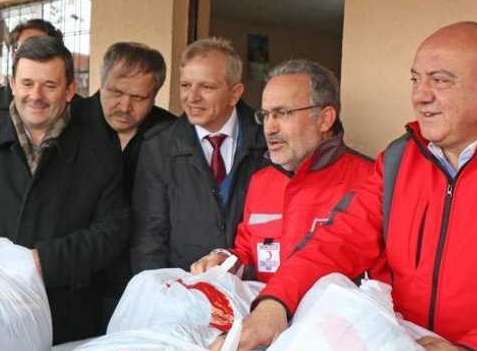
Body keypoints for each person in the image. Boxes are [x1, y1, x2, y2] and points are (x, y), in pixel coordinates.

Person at [217, 22, 477, 351]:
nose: (420, 96)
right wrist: (276, 302)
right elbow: (339, 239)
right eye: (416, 80)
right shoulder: (400, 160)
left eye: (440, 80)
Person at [0, 36, 129, 344]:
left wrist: (45, 261)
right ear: (12, 84)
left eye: (49, 86)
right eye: (27, 83)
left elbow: (111, 231)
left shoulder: (100, 151)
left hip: (67, 317)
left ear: (69, 91)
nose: (35, 96)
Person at [190, 59, 377, 282]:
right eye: (266, 115)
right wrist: (225, 261)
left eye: (282, 113)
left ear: (325, 119)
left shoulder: (373, 181)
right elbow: (248, 254)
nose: (269, 127)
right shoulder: (261, 182)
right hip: (263, 314)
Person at [131, 37, 267, 273]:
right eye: (185, 85)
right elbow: (149, 237)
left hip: (253, 290)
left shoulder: (268, 141)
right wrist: (158, 294)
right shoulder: (158, 147)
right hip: (184, 292)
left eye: (206, 87)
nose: (192, 97)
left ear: (235, 94)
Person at [73, 41, 176, 324]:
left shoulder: (171, 135)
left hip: (140, 279)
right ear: (101, 81)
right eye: (115, 92)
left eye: (139, 97)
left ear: (155, 95)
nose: (124, 106)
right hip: (75, 278)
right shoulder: (69, 123)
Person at [0, 18, 72, 132]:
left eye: (40, 49)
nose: (32, 55)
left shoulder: (79, 111)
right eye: (23, 49)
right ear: (12, 54)